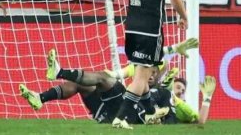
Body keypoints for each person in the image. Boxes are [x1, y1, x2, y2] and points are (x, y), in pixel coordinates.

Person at [111, 0, 189, 129]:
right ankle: (121, 118)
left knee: (141, 73)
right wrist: (184, 16)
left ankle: (151, 114)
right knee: (140, 77)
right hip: (150, 28)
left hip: (131, 26)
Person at [19, 40, 200, 124]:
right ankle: (39, 98)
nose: (150, 74)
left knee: (103, 79)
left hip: (130, 114)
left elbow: (184, 118)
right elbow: (115, 73)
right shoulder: (137, 72)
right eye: (149, 70)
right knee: (83, 84)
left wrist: (205, 98)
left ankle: (59, 71)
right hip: (117, 105)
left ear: (160, 74)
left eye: (154, 71)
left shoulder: (163, 94)